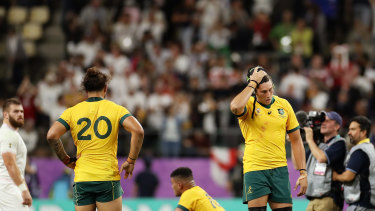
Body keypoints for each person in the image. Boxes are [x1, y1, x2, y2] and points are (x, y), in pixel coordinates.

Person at [46, 67, 144, 211]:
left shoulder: (72, 112)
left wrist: (66, 159)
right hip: (106, 177)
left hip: (82, 178)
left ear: (85, 90)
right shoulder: (116, 109)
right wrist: (131, 161)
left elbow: (51, 135)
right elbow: (138, 130)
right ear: (105, 88)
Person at [230, 66, 307, 211]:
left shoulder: (283, 105)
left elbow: (296, 140)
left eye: (271, 89)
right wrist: (252, 83)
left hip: (279, 169)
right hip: (255, 169)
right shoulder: (248, 104)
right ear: (254, 91)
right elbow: (235, 107)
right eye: (264, 91)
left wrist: (303, 173)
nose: (269, 94)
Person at [303, 111, 346, 211]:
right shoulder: (318, 145)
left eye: (328, 121)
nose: (323, 123)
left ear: (337, 126)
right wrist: (294, 141)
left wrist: (309, 140)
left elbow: (322, 158)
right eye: (322, 121)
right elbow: (298, 164)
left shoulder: (339, 143)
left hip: (329, 197)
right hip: (313, 198)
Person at [333, 116, 375, 211]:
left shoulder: (360, 151)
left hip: (360, 205)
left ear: (363, 132)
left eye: (353, 129)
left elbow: (348, 177)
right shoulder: (371, 148)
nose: (349, 133)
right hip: (369, 203)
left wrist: (335, 176)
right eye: (349, 129)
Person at [0, 98, 32, 210]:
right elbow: (10, 164)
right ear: (6, 115)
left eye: (21, 111)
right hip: (9, 186)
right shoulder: (8, 134)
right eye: (16, 111)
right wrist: (23, 189)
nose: (20, 114)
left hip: (7, 186)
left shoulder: (10, 133)